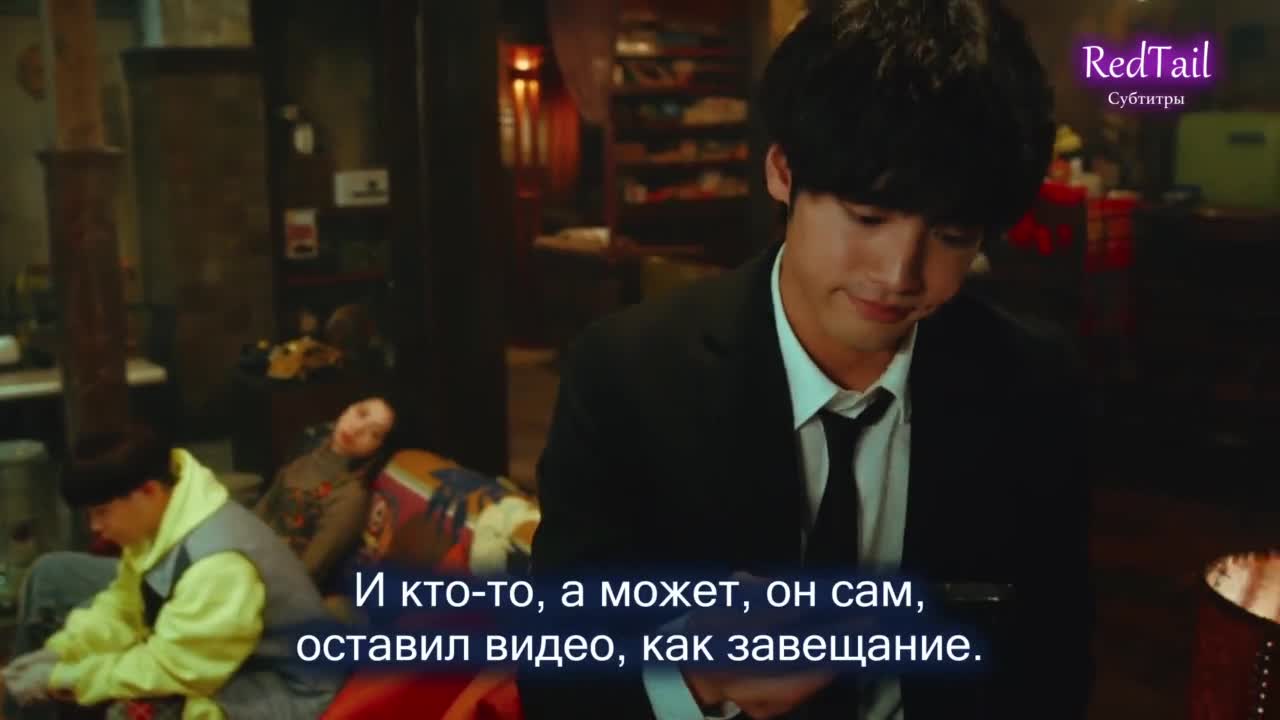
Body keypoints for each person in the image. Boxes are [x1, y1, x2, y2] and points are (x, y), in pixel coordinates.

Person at [518, 1, 1093, 719]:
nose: (898, 275)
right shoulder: (626, 375)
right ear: (783, 170)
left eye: (951, 236)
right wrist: (692, 676)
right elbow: (557, 681)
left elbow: (1052, 662)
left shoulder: (1032, 382)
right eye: (868, 217)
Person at [1, 425, 340, 720]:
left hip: (279, 686)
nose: (95, 527)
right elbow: (126, 606)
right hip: (223, 659)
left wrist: (69, 678)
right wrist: (63, 652)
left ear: (149, 491)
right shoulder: (162, 517)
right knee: (55, 583)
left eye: (102, 512)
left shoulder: (218, 565)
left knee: (136, 708)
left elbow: (174, 669)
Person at [254, 396, 397, 593]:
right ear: (348, 408)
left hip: (280, 586)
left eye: (374, 433)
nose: (357, 429)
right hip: (251, 554)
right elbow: (260, 512)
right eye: (361, 413)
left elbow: (307, 572)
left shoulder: (350, 497)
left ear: (378, 449)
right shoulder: (305, 458)